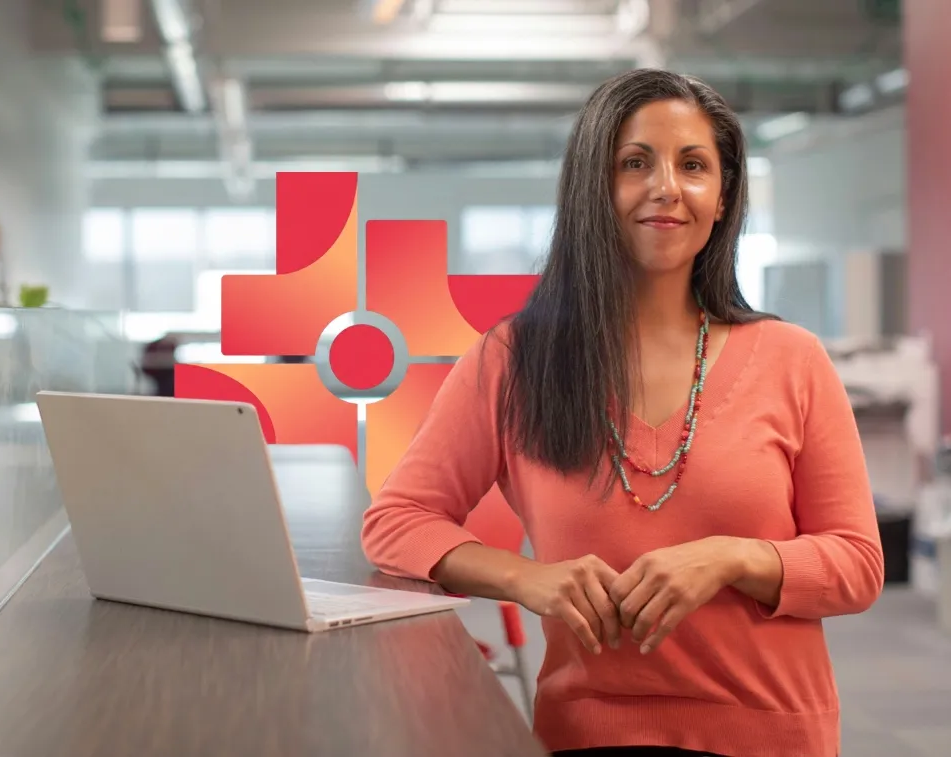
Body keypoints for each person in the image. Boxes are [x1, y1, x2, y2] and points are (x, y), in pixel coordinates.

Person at [360, 68, 883, 757]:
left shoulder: (792, 358)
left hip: (771, 735)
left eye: (694, 165)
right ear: (594, 189)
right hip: (586, 734)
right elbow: (395, 522)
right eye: (635, 162)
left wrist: (732, 558)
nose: (667, 187)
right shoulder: (515, 359)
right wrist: (526, 577)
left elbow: (857, 563)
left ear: (723, 197)